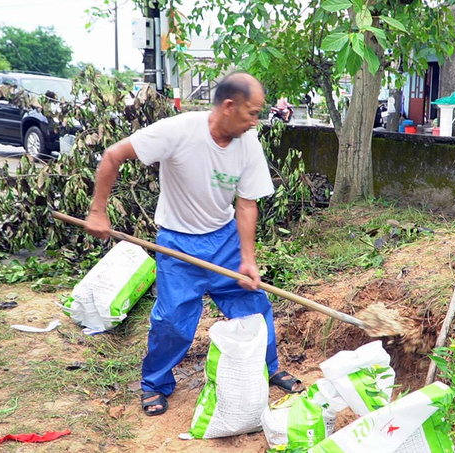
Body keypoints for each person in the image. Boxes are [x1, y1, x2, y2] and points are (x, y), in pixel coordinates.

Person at [84, 72, 303, 417]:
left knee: (253, 305)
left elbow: (246, 203)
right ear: (229, 106)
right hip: (178, 243)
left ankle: (269, 366)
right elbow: (113, 155)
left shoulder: (248, 144)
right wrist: (98, 212)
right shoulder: (179, 131)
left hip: (224, 239)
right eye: (252, 113)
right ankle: (155, 384)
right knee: (172, 319)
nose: (255, 121)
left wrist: (248, 260)